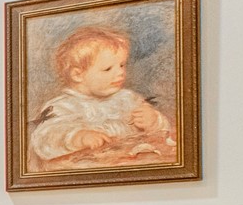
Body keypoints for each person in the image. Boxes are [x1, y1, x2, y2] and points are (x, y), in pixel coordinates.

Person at [29, 25, 174, 168]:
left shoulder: (128, 99)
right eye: (108, 69)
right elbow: (44, 140)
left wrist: (154, 121)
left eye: (122, 65)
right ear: (78, 74)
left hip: (129, 165)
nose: (120, 73)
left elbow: (161, 132)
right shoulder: (61, 106)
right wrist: (78, 137)